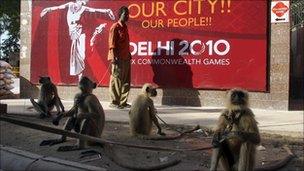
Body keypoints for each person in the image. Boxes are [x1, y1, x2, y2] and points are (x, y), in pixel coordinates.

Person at [40, 0, 115, 81]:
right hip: (72, 31)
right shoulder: (70, 4)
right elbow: (59, 7)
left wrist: (106, 11)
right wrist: (48, 9)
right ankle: (79, 74)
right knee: (74, 54)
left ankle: (80, 75)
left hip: (80, 31)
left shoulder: (83, 8)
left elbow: (94, 10)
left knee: (81, 54)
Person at [108, 6, 132, 109]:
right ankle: (114, 102)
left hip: (126, 58)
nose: (127, 16)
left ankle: (123, 102)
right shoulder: (115, 27)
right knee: (116, 81)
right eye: (125, 14)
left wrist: (129, 54)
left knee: (126, 81)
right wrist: (114, 58)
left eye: (128, 14)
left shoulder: (125, 27)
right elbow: (111, 44)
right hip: (117, 58)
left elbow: (125, 43)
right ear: (120, 15)